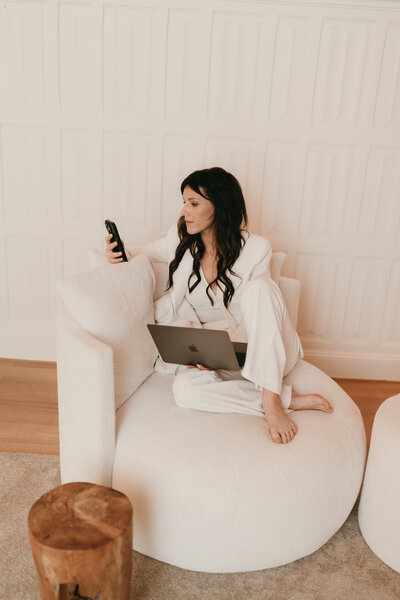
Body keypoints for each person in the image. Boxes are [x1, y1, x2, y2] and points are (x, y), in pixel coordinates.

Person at [105, 167, 333, 444]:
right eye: (184, 202)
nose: (184, 211)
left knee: (259, 289)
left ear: (220, 206)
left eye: (194, 203)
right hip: (218, 357)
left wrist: (229, 351)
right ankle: (288, 400)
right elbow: (134, 254)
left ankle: (272, 400)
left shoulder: (257, 249)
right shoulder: (180, 242)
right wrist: (117, 252)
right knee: (185, 390)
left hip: (263, 349)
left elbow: (264, 313)